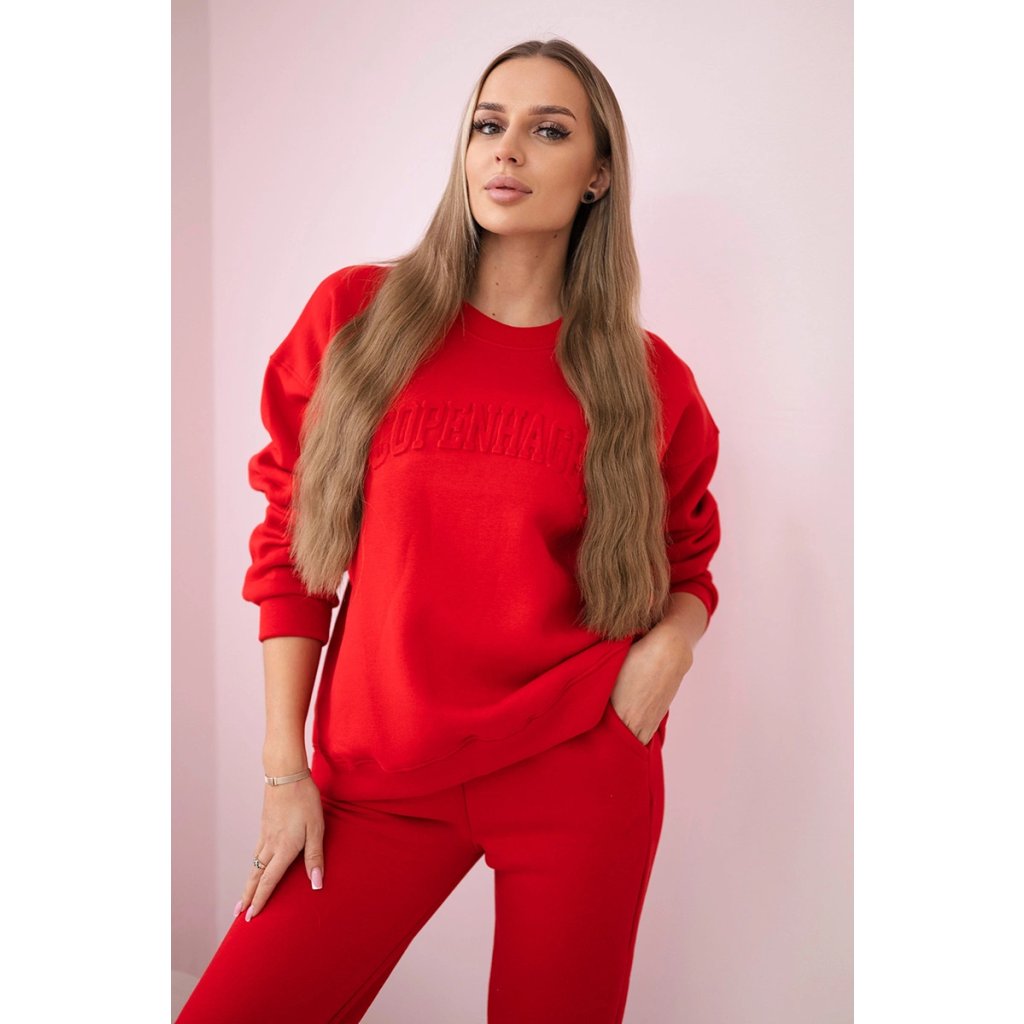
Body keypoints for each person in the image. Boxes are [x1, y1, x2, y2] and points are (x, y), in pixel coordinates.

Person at [176, 36, 721, 1024]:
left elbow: (687, 563)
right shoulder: (358, 317)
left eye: (547, 131)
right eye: (488, 124)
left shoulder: (650, 382)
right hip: (376, 773)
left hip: (576, 765)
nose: (506, 149)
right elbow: (290, 545)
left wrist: (668, 650)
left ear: (597, 175)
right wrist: (284, 768)